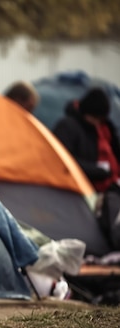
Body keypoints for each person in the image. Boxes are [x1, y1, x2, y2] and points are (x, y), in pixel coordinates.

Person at [52, 87, 120, 247]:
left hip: (107, 190)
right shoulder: (68, 127)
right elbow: (63, 161)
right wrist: (98, 170)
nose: (97, 122)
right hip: (80, 191)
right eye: (95, 117)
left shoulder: (105, 129)